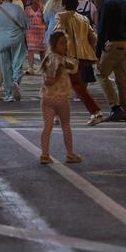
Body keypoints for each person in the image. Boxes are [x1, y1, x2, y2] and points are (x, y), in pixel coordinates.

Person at [56, 0, 105, 127]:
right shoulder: (83, 18)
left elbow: (58, 34)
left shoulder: (61, 16)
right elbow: (93, 38)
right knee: (68, 84)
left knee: (77, 86)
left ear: (64, 4)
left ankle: (96, 112)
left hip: (69, 56)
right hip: (83, 56)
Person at [95, 0, 126, 123]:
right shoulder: (125, 3)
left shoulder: (108, 4)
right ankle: (125, 111)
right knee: (121, 79)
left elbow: (102, 30)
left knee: (100, 73)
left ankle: (115, 108)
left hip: (113, 44)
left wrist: (97, 53)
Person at [39, 31, 80, 164]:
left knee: (47, 127)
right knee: (66, 125)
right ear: (54, 44)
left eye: (65, 43)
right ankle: (70, 153)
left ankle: (45, 154)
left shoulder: (47, 57)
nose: (65, 46)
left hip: (46, 98)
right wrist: (56, 76)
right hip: (61, 98)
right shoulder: (60, 60)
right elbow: (73, 68)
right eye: (62, 43)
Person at [0, 0, 28, 102]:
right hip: (17, 38)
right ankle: (16, 81)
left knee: (5, 66)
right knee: (18, 61)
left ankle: (9, 94)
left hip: (1, 40)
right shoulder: (18, 9)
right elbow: (26, 24)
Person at [24, 0, 47, 73]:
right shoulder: (27, 9)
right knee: (30, 49)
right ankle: (30, 68)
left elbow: (45, 18)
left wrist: (42, 9)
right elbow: (25, 20)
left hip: (41, 31)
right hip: (30, 31)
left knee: (42, 50)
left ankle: (43, 67)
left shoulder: (42, 7)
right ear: (32, 0)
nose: (38, 0)